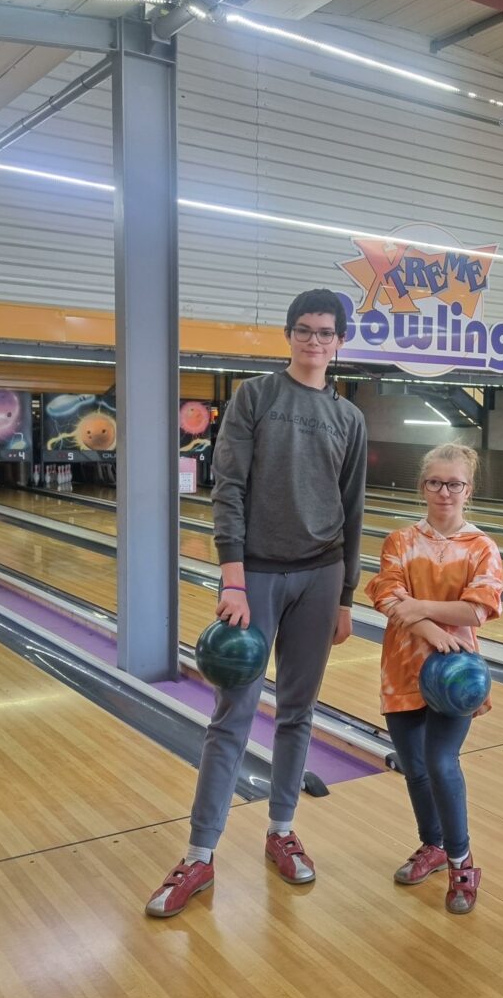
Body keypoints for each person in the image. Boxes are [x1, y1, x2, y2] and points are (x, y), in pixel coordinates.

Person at [146, 288, 368, 917]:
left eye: (326, 332)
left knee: (298, 713)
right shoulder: (256, 396)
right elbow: (229, 488)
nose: (315, 341)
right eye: (305, 330)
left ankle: (282, 829)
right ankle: (199, 853)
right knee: (233, 716)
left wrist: (347, 596)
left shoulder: (349, 419)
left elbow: (353, 513)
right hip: (258, 578)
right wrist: (233, 578)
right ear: (289, 335)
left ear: (340, 340)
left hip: (322, 576)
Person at [365, 443, 503, 915]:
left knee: (442, 762)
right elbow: (385, 594)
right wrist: (424, 626)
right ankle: (433, 846)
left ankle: (463, 862)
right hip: (402, 666)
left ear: (469, 489)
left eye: (455, 484)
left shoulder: (481, 547)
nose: (445, 492)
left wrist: (419, 608)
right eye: (436, 482)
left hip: (457, 675)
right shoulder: (400, 541)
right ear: (422, 485)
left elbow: (477, 608)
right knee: (416, 768)